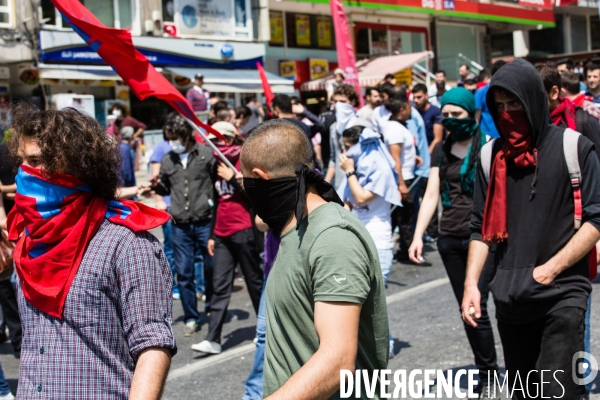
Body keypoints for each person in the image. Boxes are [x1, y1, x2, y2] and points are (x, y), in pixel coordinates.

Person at [8, 104, 175, 399]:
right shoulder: (29, 240)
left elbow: (152, 343)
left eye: (36, 161)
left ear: (75, 164)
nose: (25, 173)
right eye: (22, 162)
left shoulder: (128, 244)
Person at [462, 59, 600, 399]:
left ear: (534, 101)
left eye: (515, 104)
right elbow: (479, 227)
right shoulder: (489, 157)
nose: (508, 113)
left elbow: (596, 218)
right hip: (510, 300)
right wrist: (471, 284)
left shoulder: (574, 147)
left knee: (560, 393)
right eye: (500, 106)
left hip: (561, 294)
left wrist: (551, 269)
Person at [240, 119, 389, 398]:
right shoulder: (295, 228)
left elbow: (337, 364)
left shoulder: (332, 237)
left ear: (260, 180)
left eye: (246, 181)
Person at [408, 88, 499, 398]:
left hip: (485, 238)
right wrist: (418, 235)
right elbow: (432, 193)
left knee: (497, 304)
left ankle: (516, 366)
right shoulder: (441, 149)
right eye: (445, 115)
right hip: (449, 238)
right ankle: (487, 372)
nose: (449, 120)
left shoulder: (489, 145)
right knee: (471, 310)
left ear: (471, 113)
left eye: (456, 114)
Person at [191, 122, 263, 354]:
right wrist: (212, 234)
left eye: (221, 139)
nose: (217, 144)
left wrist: (233, 177)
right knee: (220, 286)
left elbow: (255, 195)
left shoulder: (245, 161)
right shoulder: (215, 164)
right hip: (221, 233)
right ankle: (213, 338)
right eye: (214, 140)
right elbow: (216, 201)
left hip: (244, 230)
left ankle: (266, 330)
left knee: (254, 282)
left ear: (231, 139)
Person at [150, 112, 215, 337]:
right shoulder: (168, 159)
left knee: (210, 268)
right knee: (184, 272)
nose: (172, 142)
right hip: (179, 224)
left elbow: (217, 183)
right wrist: (156, 187)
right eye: (169, 137)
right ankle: (191, 317)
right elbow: (166, 189)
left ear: (186, 135)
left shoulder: (206, 155)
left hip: (205, 221)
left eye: (175, 137)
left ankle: (212, 310)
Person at [338, 125, 401, 358]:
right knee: (360, 299)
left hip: (379, 241)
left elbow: (362, 196)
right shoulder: (359, 168)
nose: (345, 152)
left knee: (373, 300)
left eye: (348, 146)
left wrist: (349, 172)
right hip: (357, 240)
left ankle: (384, 346)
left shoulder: (381, 169)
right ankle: (370, 347)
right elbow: (347, 202)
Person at [241, 217, 279, 400]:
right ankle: (253, 394)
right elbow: (261, 222)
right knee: (263, 334)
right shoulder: (268, 188)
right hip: (272, 267)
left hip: (299, 265)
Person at [537, 64, 600, 156]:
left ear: (554, 92)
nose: (530, 101)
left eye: (537, 95)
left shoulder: (585, 122)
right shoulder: (530, 125)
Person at [324, 84, 361, 189]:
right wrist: (324, 185)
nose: (338, 105)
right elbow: (334, 159)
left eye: (343, 102)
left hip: (360, 185)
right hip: (340, 186)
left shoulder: (363, 125)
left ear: (352, 102)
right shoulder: (333, 127)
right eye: (336, 102)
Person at [475, 60, 506, 140]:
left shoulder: (511, 91)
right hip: (487, 137)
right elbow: (476, 117)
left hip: (506, 134)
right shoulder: (481, 92)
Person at [412, 83, 443, 153]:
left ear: (426, 96)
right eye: (414, 98)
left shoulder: (436, 112)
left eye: (419, 97)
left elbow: (438, 139)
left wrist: (426, 156)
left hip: (432, 154)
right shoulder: (414, 112)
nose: (416, 100)